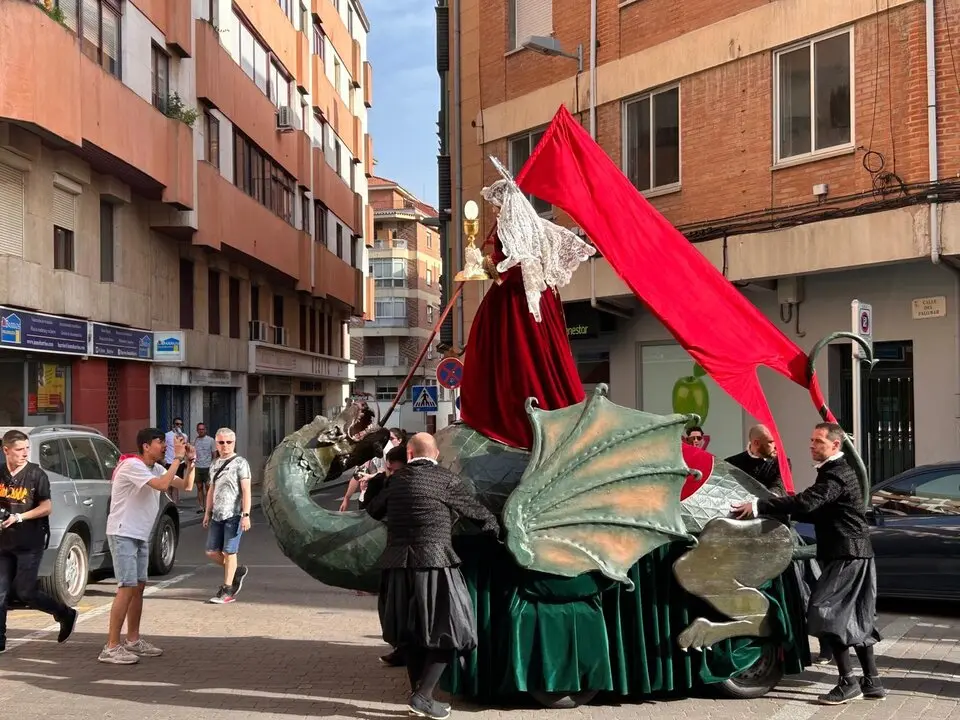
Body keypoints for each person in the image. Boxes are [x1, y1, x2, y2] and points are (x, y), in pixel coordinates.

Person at [732, 422, 884, 705]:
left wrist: (758, 506)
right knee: (858, 618)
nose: (811, 445)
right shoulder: (832, 472)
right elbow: (819, 513)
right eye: (811, 440)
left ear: (835, 445)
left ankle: (848, 682)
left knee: (826, 611)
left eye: (818, 441)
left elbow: (807, 503)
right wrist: (781, 516)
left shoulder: (836, 474)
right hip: (851, 553)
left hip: (848, 554)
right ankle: (872, 681)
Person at [365, 433, 500, 720]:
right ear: (436, 454)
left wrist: (380, 480)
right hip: (435, 564)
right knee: (451, 631)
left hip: (398, 569)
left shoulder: (396, 480)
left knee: (411, 635)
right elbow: (481, 516)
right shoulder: (445, 479)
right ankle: (422, 696)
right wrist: (496, 534)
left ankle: (420, 696)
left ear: (410, 454)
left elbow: (374, 510)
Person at [100, 428, 195, 664]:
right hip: (123, 533)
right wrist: (177, 459)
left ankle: (133, 639)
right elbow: (163, 486)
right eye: (160, 442)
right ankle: (111, 646)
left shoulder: (157, 468)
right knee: (127, 587)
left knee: (138, 587)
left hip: (141, 534)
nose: (164, 446)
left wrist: (190, 463)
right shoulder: (132, 465)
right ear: (145, 445)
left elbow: (186, 486)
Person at [0, 429, 77, 653]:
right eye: (19, 450)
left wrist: (19, 516)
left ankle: (64, 613)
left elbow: (47, 507)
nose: (25, 453)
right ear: (6, 450)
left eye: (27, 449)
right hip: (3, 544)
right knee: (0, 592)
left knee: (25, 592)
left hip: (29, 543)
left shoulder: (36, 474)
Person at [203, 428, 252, 605]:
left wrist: (246, 514)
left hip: (234, 514)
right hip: (217, 514)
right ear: (216, 444)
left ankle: (227, 589)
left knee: (230, 551)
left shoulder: (241, 463)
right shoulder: (214, 464)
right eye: (221, 442)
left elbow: (246, 490)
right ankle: (236, 571)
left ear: (234, 442)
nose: (225, 446)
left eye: (228, 442)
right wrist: (207, 512)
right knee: (211, 551)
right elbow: (211, 490)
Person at [726, 424, 787, 496]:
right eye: (770, 442)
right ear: (756, 443)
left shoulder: (782, 463)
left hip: (768, 506)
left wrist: (756, 503)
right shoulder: (730, 463)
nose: (775, 446)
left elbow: (778, 488)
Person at [193, 423, 216, 514]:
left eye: (202, 429)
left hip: (208, 467)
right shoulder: (195, 441)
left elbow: (214, 454)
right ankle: (201, 507)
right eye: (199, 429)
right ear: (197, 430)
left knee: (208, 488)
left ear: (205, 430)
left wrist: (213, 466)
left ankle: (208, 507)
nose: (201, 431)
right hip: (198, 467)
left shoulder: (211, 440)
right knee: (199, 488)